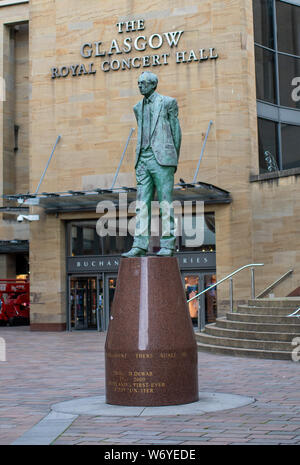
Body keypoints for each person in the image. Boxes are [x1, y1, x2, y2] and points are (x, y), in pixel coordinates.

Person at [122, 71, 181, 258]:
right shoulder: (137, 108)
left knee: (165, 203)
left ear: (153, 85)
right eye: (138, 83)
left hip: (162, 160)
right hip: (143, 159)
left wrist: (172, 158)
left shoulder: (168, 102)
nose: (140, 86)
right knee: (142, 204)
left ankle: (168, 245)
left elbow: (176, 132)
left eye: (144, 83)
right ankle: (139, 245)